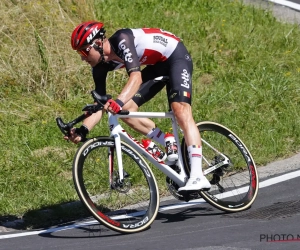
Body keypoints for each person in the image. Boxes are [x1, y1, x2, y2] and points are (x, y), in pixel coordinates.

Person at [65, 21, 211, 192]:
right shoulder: (99, 68)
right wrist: (83, 130)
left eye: (84, 51)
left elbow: (136, 78)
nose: (82, 57)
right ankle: (167, 141)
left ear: (97, 43)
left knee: (180, 110)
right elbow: (100, 105)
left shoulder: (122, 39)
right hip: (156, 66)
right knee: (125, 112)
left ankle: (197, 175)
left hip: (175, 56)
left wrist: (117, 102)